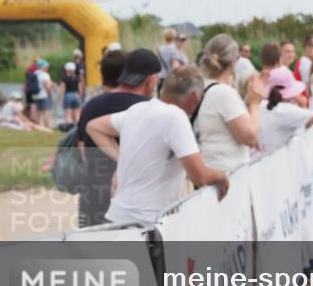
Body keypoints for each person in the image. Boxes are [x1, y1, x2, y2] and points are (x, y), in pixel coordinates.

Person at [86, 66, 230, 226]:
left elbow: (94, 127)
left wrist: (123, 161)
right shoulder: (176, 117)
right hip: (148, 221)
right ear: (194, 96)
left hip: (119, 214)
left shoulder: (137, 110)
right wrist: (221, 177)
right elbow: (199, 176)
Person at [75, 49, 158, 227]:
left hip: (93, 187)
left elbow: (81, 146)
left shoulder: (90, 106)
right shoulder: (147, 107)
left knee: (92, 241)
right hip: (134, 192)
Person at [195, 34, 264, 173]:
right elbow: (250, 137)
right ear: (233, 61)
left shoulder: (201, 87)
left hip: (210, 167)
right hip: (228, 173)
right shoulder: (223, 93)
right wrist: (255, 103)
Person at [32, 59, 55, 128]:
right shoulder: (45, 74)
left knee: (37, 112)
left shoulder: (35, 73)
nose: (48, 68)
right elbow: (47, 86)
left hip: (35, 95)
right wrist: (50, 95)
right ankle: (47, 126)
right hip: (44, 95)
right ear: (43, 67)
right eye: (47, 66)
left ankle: (37, 125)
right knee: (46, 112)